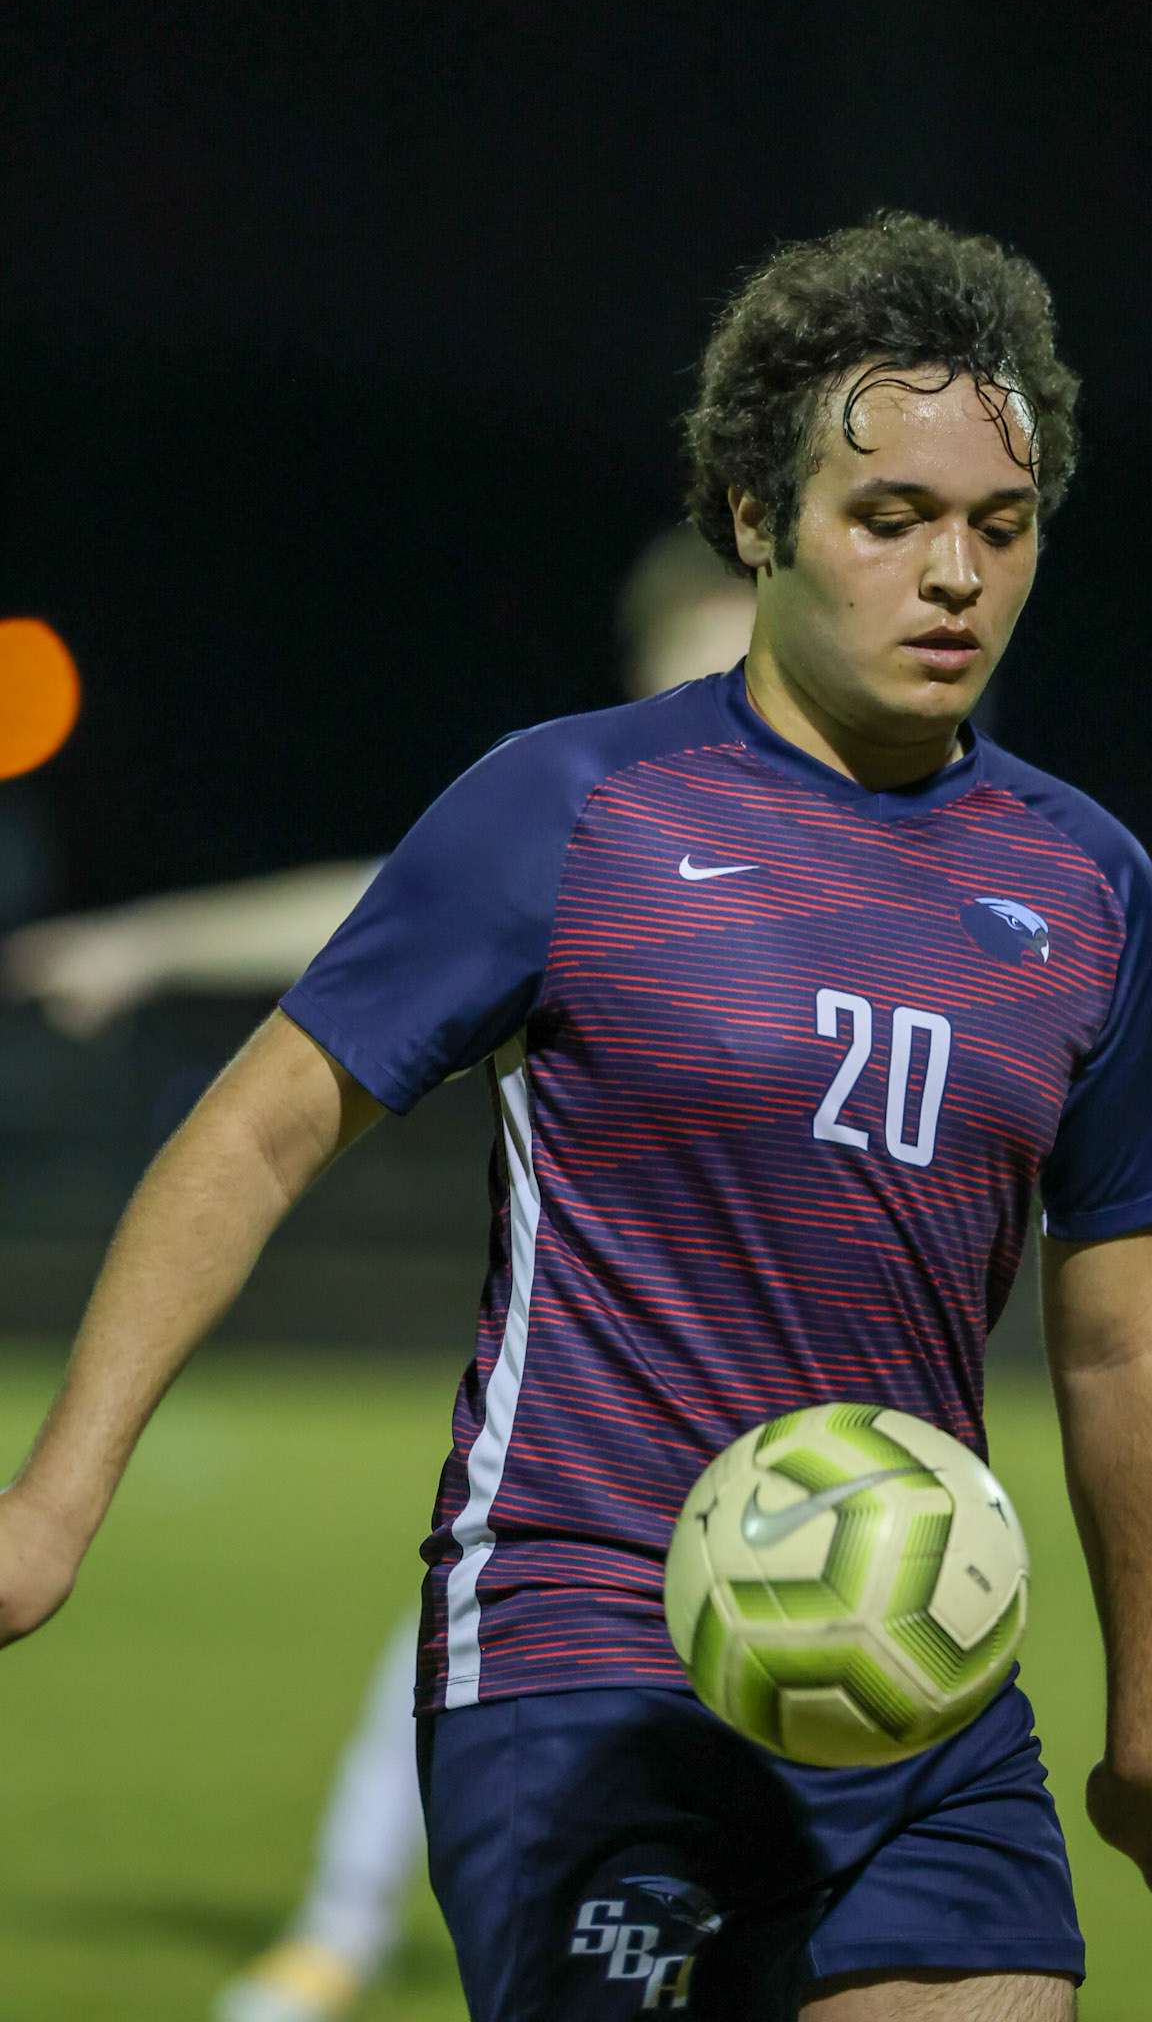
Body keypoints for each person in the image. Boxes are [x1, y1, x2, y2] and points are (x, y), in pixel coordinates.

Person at [0, 211, 1152, 2021]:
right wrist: (54, 1498)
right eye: (888, 522)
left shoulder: (1091, 889)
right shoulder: (571, 812)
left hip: (922, 1673)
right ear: (757, 523)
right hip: (589, 1647)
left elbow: (1125, 1338)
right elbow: (257, 1132)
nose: (954, 576)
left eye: (1000, 525)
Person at [2, 526, 756, 2022]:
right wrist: (152, 945)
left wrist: (1123, 1224)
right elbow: (377, 908)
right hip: (603, 1423)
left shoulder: (912, 860)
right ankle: (340, 1932)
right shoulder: (591, 823)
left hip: (843, 1424)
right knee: (473, 1632)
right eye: (693, 667)